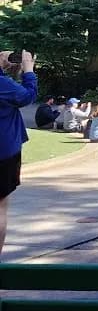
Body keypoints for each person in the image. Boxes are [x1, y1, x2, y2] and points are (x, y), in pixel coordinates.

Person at [0, 50, 37, 256]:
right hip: (4, 152)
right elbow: (27, 96)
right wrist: (28, 70)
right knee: (0, 207)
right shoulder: (2, 85)